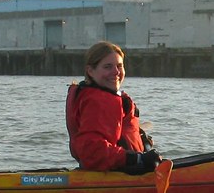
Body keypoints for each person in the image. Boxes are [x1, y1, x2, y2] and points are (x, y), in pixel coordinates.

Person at [65, 41, 161, 174]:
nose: (116, 72)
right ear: (90, 71)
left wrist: (141, 140)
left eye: (119, 66)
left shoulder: (94, 95)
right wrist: (136, 158)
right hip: (114, 174)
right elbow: (92, 152)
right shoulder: (98, 101)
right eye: (108, 67)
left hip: (116, 170)